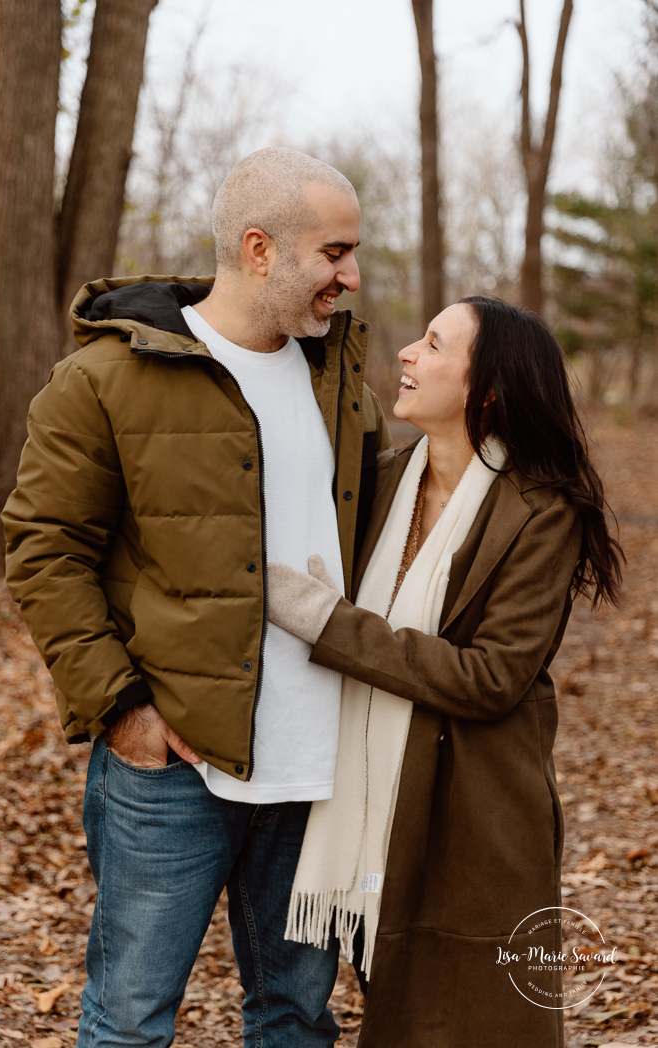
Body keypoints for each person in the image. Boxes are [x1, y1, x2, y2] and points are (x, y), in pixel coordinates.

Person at [2, 147, 391, 1048]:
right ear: (259, 249)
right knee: (131, 1023)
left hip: (317, 770)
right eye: (334, 253)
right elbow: (44, 547)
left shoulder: (339, 379)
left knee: (297, 1019)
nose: (352, 276)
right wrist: (121, 709)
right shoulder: (104, 378)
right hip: (174, 768)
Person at [267, 296, 624, 1048]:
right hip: (360, 792)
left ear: (484, 390)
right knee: (391, 1000)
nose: (406, 353)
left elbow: (490, 676)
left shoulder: (540, 511)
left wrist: (325, 621)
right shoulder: (382, 480)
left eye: (432, 345)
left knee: (468, 1017)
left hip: (476, 805)